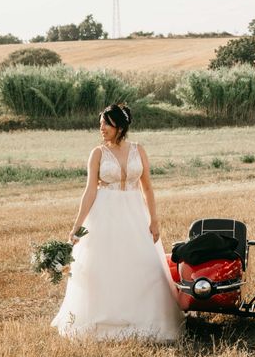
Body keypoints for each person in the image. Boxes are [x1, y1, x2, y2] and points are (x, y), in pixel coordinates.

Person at [51, 104, 184, 341]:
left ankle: (147, 319)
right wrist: (76, 227)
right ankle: (103, 321)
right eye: (100, 123)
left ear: (119, 126)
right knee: (103, 267)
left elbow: (148, 187)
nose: (101, 127)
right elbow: (90, 191)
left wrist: (154, 220)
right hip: (104, 216)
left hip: (135, 215)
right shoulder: (98, 153)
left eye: (106, 123)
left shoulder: (139, 150)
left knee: (145, 265)